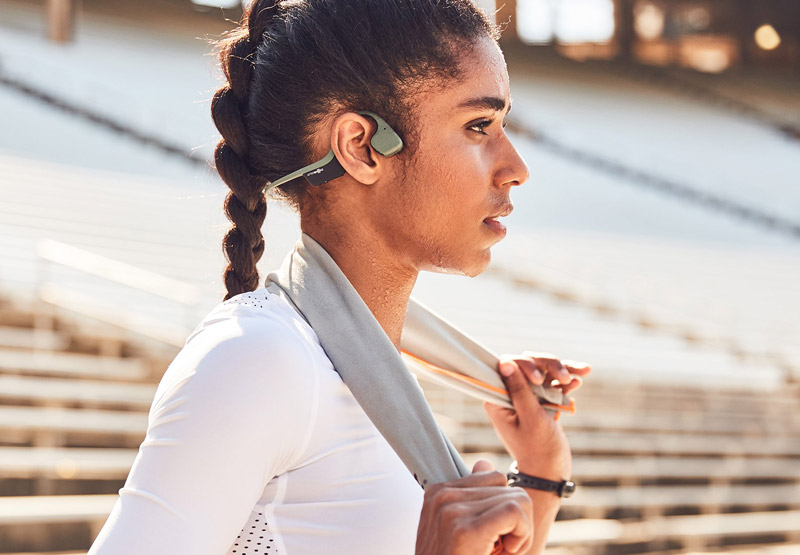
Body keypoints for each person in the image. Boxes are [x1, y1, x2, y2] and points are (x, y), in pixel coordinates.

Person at [87, 1, 590, 554]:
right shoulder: (257, 357)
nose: (515, 167)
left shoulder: (367, 366)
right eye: (479, 126)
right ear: (361, 147)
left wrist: (541, 477)